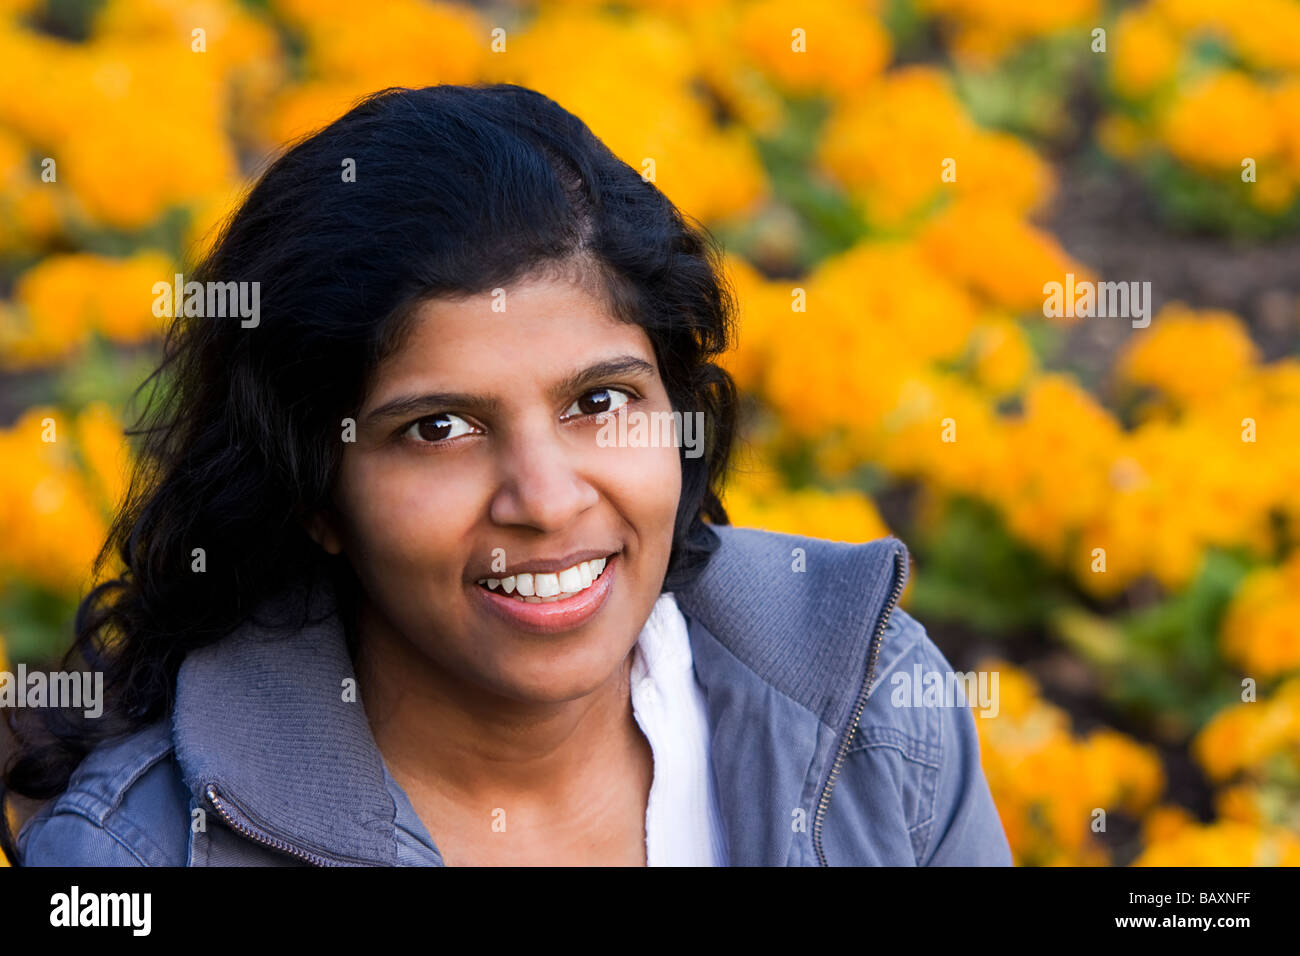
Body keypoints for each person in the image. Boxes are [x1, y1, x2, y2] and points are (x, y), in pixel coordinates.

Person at [2, 83, 1012, 866]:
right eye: (438, 427)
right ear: (316, 494)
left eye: (600, 401)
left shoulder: (871, 710)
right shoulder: (141, 854)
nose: (546, 497)